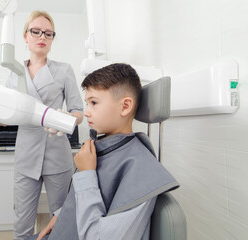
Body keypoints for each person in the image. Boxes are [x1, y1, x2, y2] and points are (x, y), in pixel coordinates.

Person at [28, 63, 179, 240]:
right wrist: (61, 215)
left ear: (125, 106)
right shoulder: (106, 145)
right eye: (87, 104)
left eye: (94, 103)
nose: (86, 112)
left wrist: (87, 174)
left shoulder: (142, 170)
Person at [6, 10, 84, 240]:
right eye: (36, 31)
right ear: (25, 36)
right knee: (22, 222)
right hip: (26, 154)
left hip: (56, 152)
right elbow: (8, 112)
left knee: (60, 217)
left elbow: (78, 111)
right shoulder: (15, 72)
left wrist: (67, 118)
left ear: (52, 38)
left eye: (48, 34)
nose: (42, 37)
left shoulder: (64, 70)